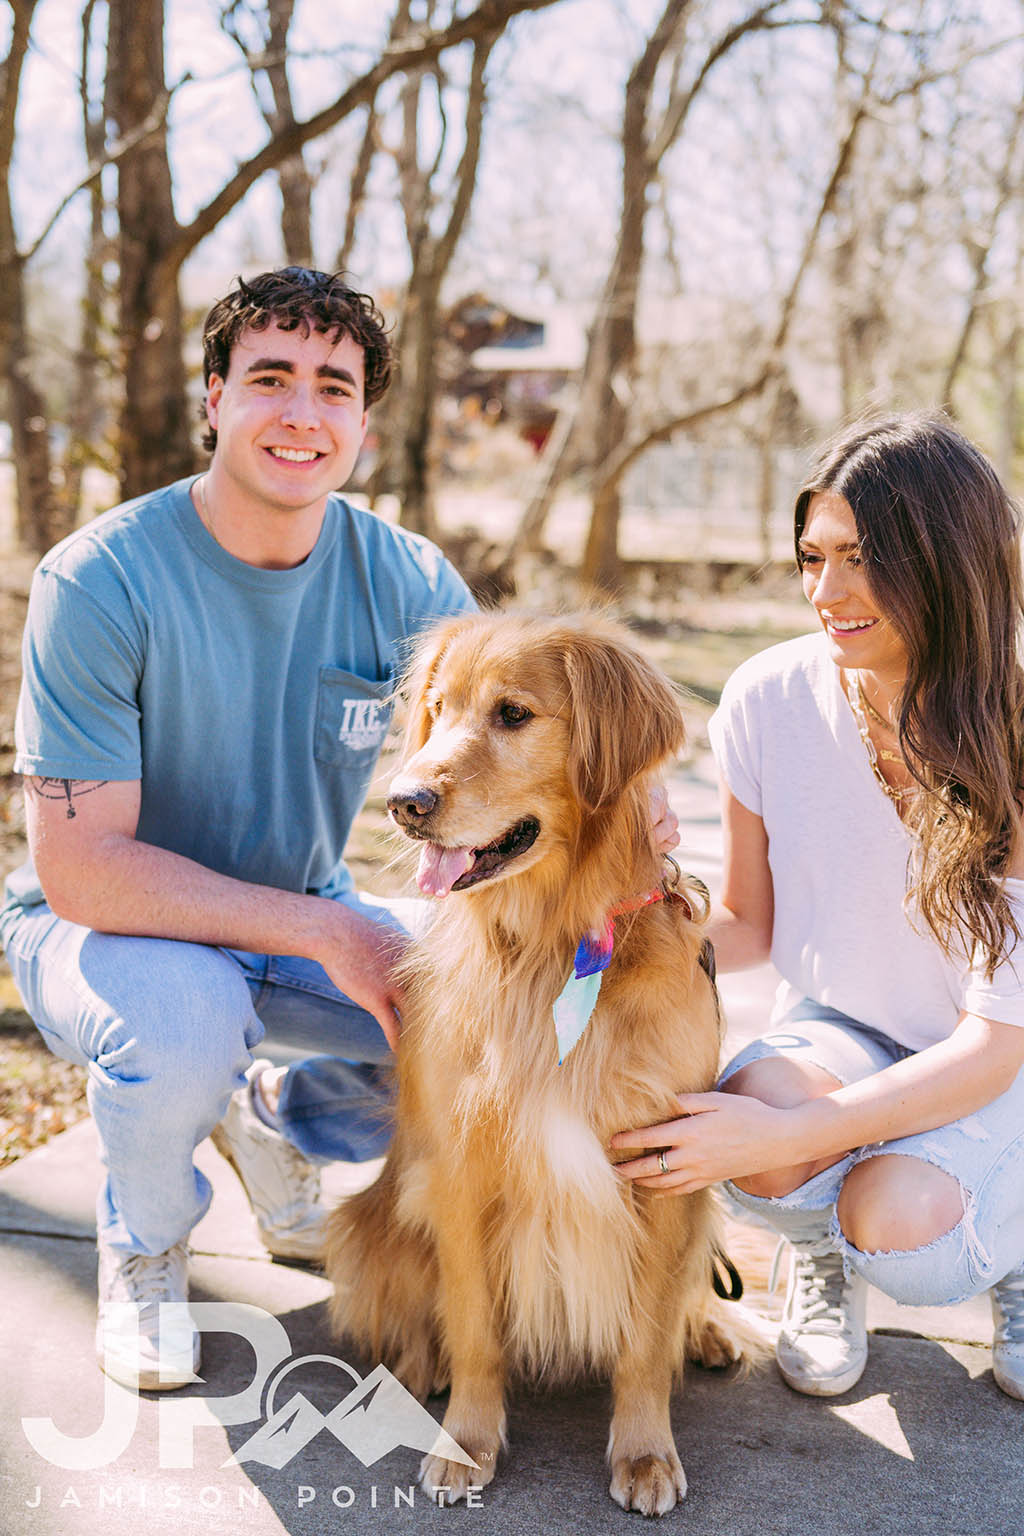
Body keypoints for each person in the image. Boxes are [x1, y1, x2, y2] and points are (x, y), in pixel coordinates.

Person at [0, 267, 478, 1390]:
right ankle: (149, 1246)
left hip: (298, 914)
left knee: (504, 1007)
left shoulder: (407, 578)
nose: (301, 413)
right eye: (269, 378)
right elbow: (83, 871)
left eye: (333, 386)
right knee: (182, 1024)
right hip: (104, 930)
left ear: (364, 420)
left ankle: (278, 1111)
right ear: (214, 397)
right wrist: (328, 934)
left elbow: (525, 731)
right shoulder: (101, 578)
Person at [611, 412, 1024, 1402]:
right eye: (812, 557)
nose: (824, 593)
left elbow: (995, 1041)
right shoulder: (765, 698)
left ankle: (1011, 1251)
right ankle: (820, 1263)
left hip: (999, 1057)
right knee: (735, 1126)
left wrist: (798, 1137)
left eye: (861, 559)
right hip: (844, 1027)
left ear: (947, 561)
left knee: (900, 1227)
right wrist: (615, 917)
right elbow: (748, 924)